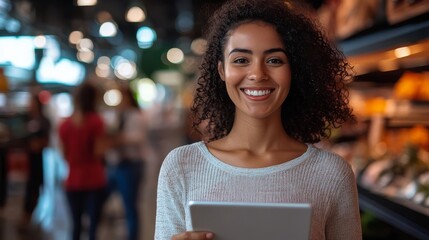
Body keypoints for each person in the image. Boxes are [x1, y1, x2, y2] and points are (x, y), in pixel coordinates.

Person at [154, 0, 362, 239]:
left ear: (294, 70)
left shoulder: (332, 174)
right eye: (241, 60)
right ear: (221, 70)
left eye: (274, 60)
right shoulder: (181, 167)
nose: (257, 74)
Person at [58, 82, 107, 240]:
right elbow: (98, 151)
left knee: (76, 225)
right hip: (94, 178)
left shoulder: (65, 125)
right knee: (93, 226)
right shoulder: (96, 121)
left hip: (73, 179)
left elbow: (63, 153)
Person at [105, 86, 147, 240]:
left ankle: (133, 236)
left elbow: (138, 138)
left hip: (131, 163)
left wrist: (119, 139)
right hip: (117, 163)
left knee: (130, 204)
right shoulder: (117, 115)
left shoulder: (136, 116)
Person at [20, 93, 51, 229]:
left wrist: (39, 144)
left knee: (36, 185)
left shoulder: (43, 120)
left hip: (39, 159)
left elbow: (46, 140)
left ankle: (31, 213)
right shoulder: (27, 119)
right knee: (30, 186)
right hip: (29, 158)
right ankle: (28, 214)